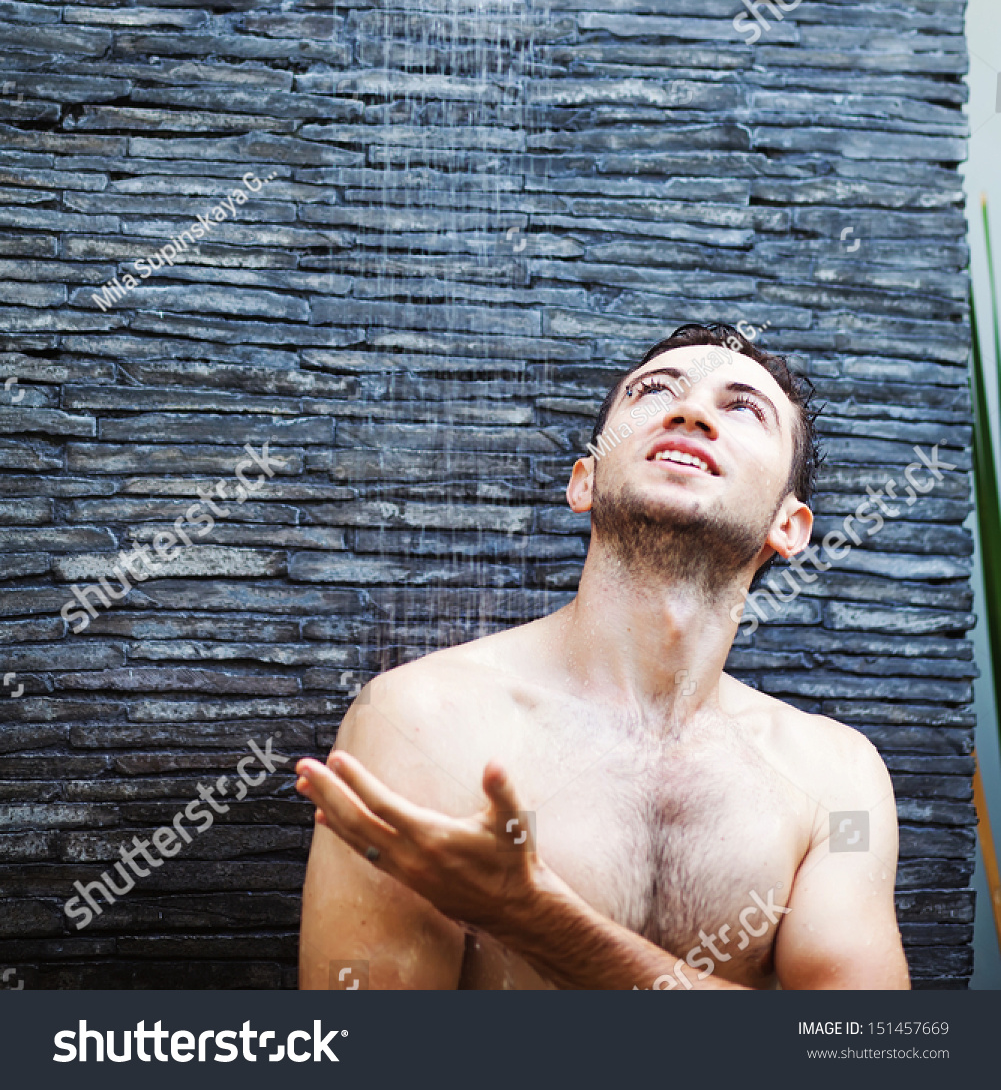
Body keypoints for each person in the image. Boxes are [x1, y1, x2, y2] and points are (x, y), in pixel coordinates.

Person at [296, 323, 909, 990]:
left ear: (786, 527)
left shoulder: (836, 780)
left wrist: (530, 918)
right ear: (583, 480)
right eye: (653, 392)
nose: (688, 410)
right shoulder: (423, 720)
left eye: (742, 408)